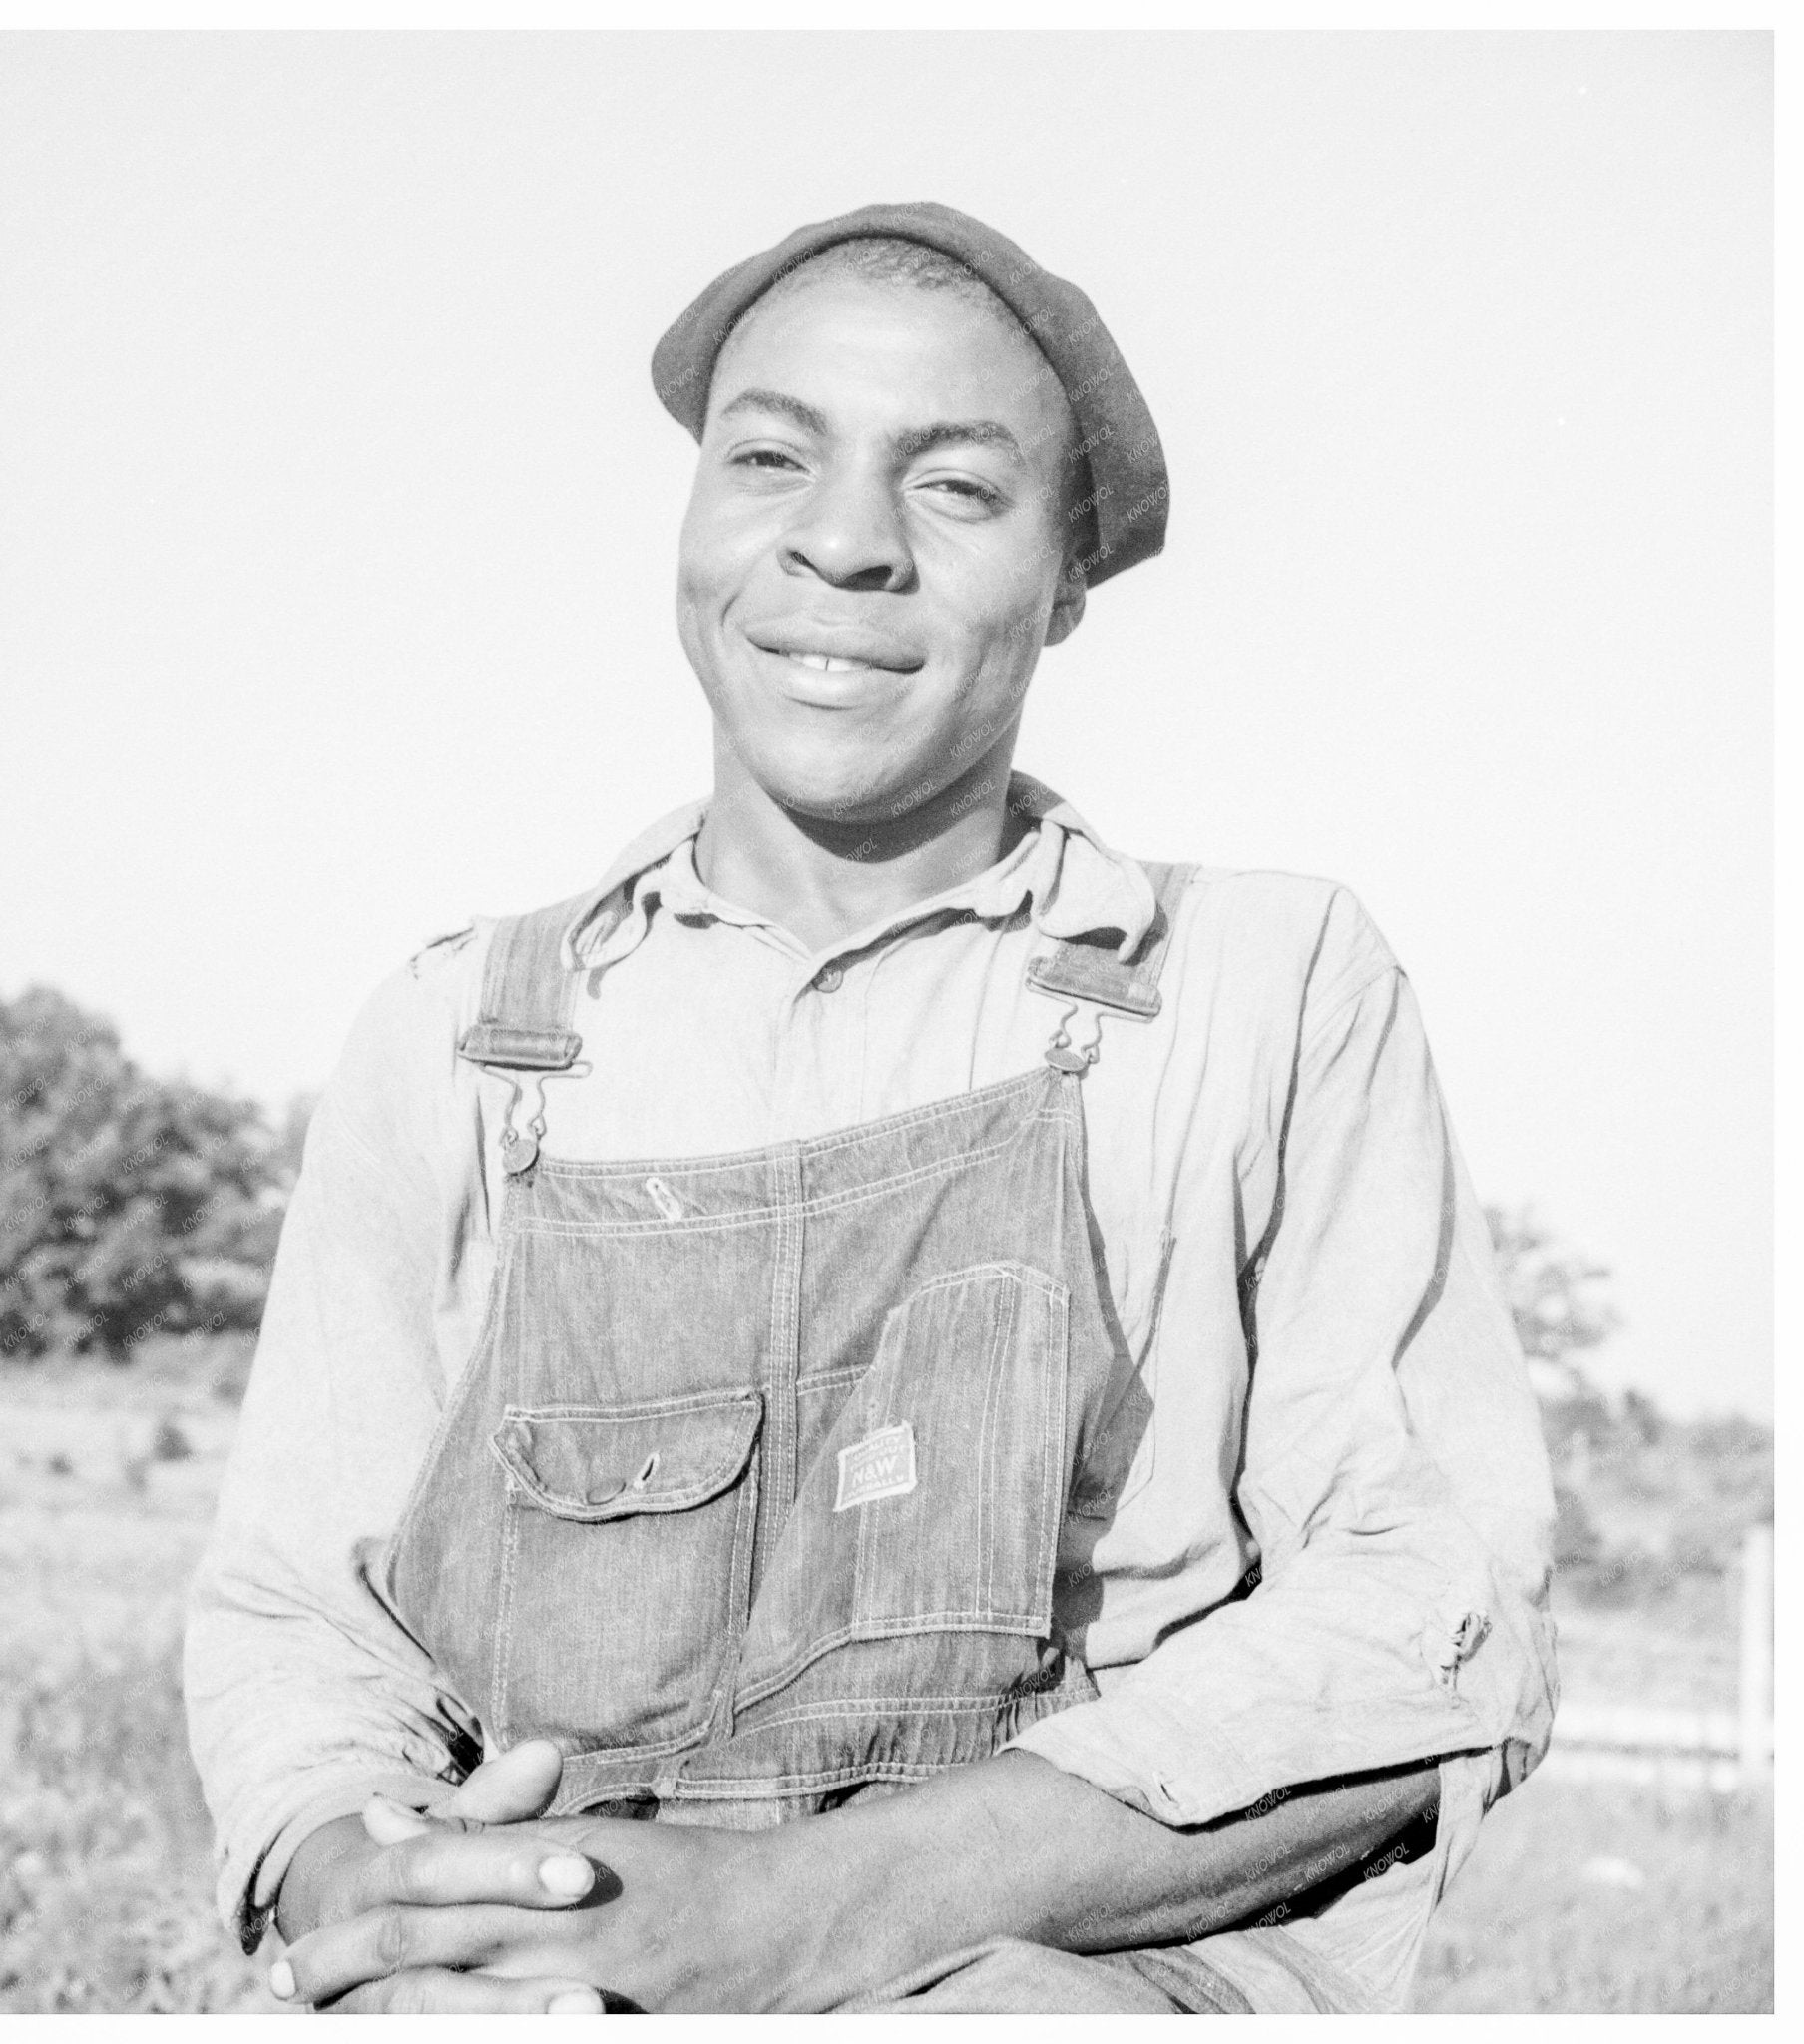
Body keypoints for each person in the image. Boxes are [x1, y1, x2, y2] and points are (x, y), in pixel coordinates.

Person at [183, 201, 1558, 2014]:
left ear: (1067, 581)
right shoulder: (464, 1041)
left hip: (1078, 1965)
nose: (840, 547)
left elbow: (1428, 1611)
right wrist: (364, 1867)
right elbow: (302, 1621)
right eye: (770, 459)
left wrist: (823, 1908)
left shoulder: (1266, 992)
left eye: (956, 490)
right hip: (559, 1942)